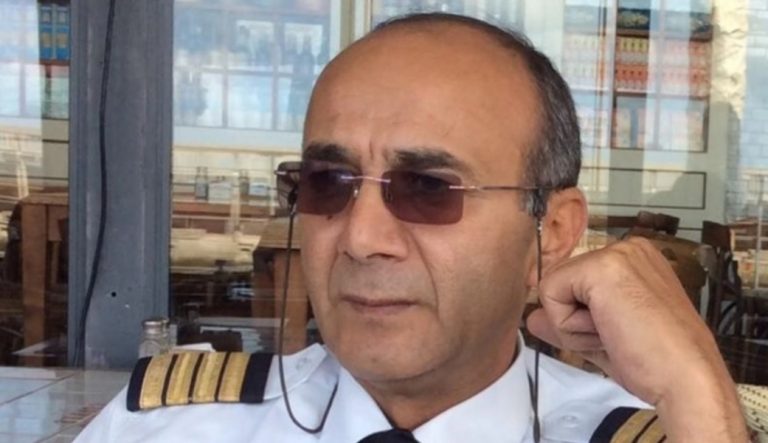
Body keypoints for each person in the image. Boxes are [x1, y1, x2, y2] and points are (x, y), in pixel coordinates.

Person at [75, 13, 747, 443]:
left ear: (551, 229)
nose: (362, 238)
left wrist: (698, 399)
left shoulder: (660, 434)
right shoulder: (169, 426)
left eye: (428, 188)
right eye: (328, 182)